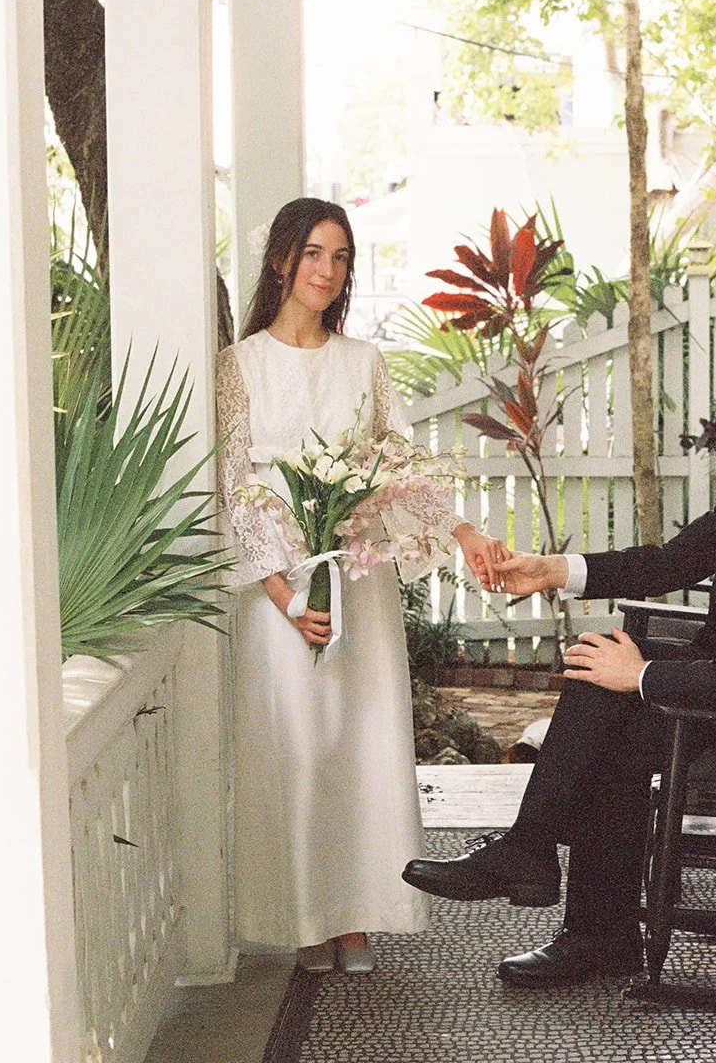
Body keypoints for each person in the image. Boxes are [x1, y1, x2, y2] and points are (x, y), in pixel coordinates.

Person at [402, 333, 716, 986]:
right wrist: (551, 570)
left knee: (617, 703)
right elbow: (673, 561)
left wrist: (643, 676)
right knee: (601, 674)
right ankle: (551, 877)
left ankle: (568, 899)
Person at [216, 198, 504, 973]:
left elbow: (400, 471)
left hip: (360, 580)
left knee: (359, 746)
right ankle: (306, 916)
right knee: (299, 749)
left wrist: (463, 532)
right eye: (314, 253)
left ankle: (358, 915)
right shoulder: (238, 367)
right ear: (282, 259)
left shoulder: (363, 362)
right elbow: (234, 488)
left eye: (341, 257)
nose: (328, 270)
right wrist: (284, 596)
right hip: (283, 594)